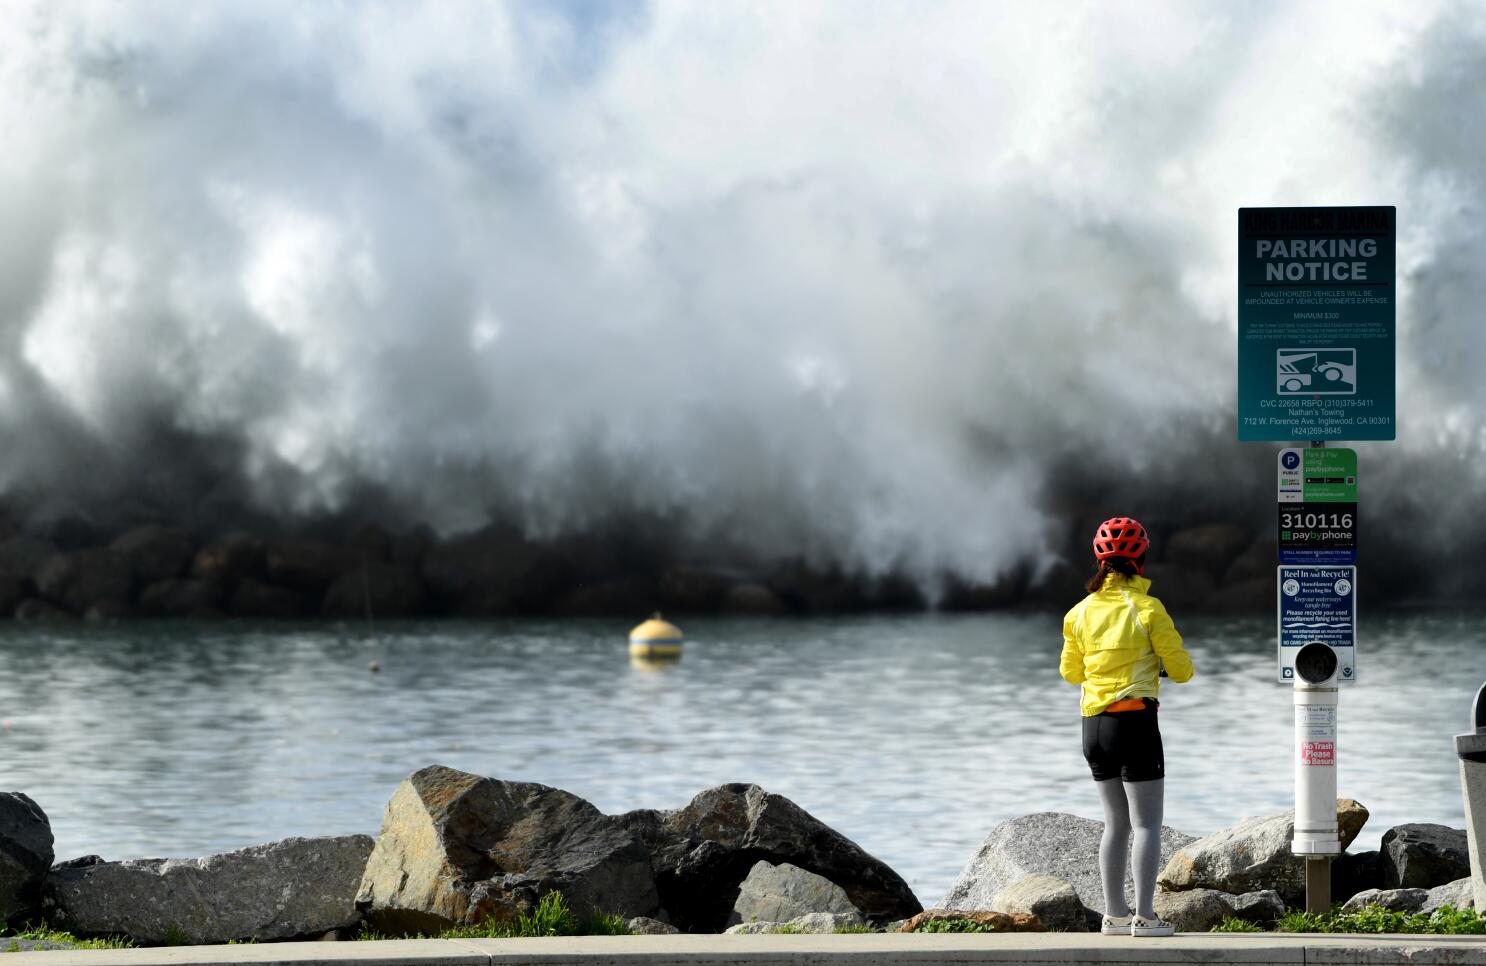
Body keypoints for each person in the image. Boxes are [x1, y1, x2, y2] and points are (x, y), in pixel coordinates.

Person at [1060, 516, 1194, 938]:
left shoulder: (1078, 612)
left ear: (1099, 559)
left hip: (1093, 727)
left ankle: (1114, 916)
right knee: (1147, 825)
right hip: (1134, 721)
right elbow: (1183, 670)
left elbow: (1070, 673)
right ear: (1141, 557)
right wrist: (1155, 665)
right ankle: (1146, 917)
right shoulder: (1148, 609)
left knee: (1114, 824)